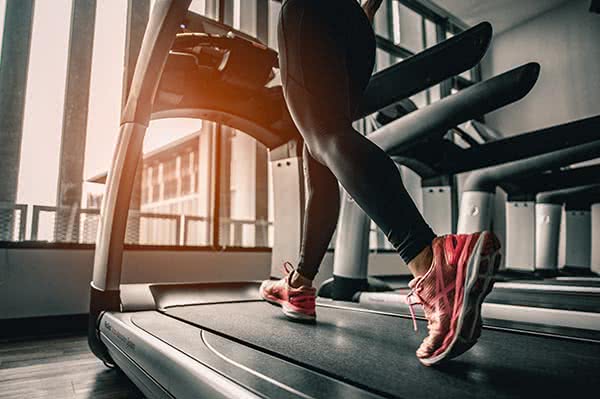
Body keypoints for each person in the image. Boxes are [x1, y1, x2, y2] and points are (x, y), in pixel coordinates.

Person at [260, 0, 501, 366]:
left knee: (324, 138)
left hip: (309, 11)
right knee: (321, 151)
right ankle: (300, 285)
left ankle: (433, 265)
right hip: (357, 28)